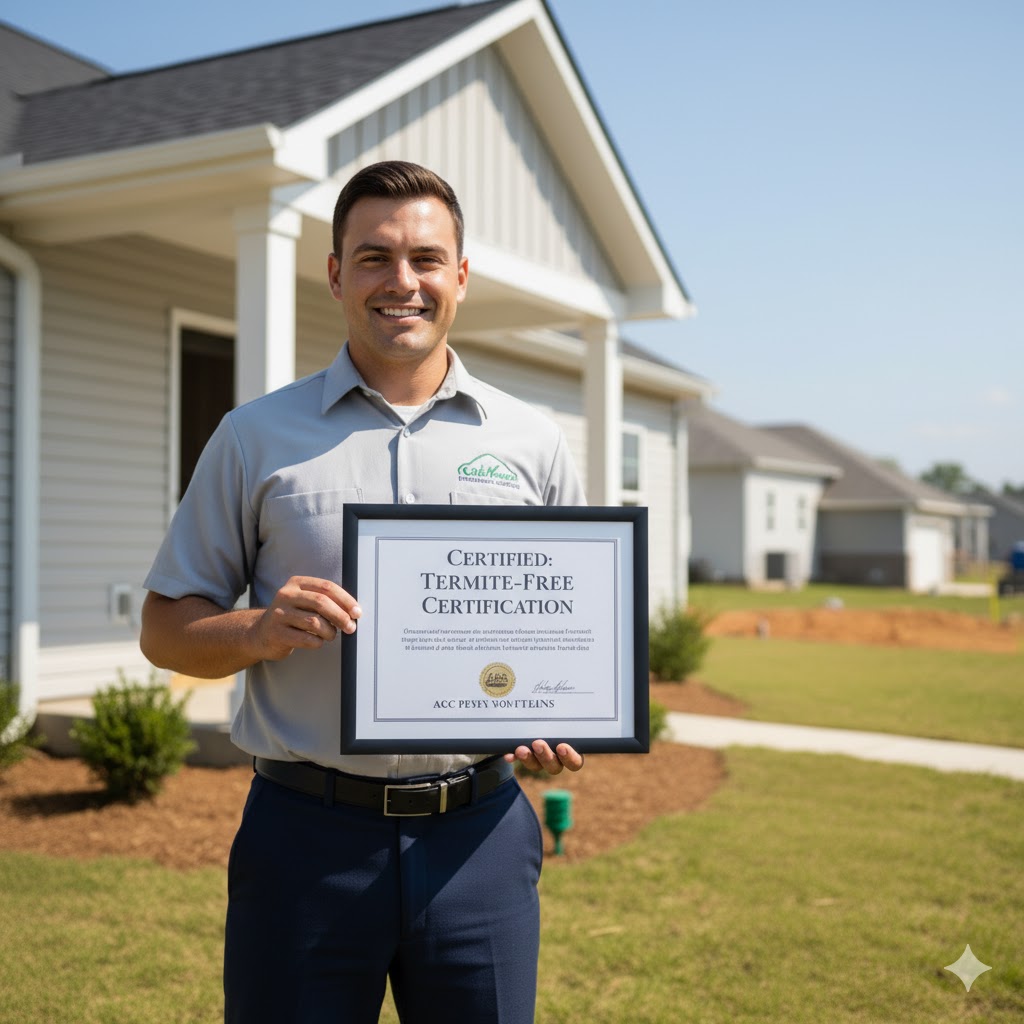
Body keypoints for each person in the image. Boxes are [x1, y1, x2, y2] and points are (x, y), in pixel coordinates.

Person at [140, 160, 585, 1024]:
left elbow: (563, 637)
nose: (402, 281)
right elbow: (166, 629)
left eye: (425, 257)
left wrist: (555, 713)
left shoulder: (533, 442)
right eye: (374, 257)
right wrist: (259, 632)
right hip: (306, 840)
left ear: (461, 275)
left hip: (480, 842)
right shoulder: (254, 436)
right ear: (337, 273)